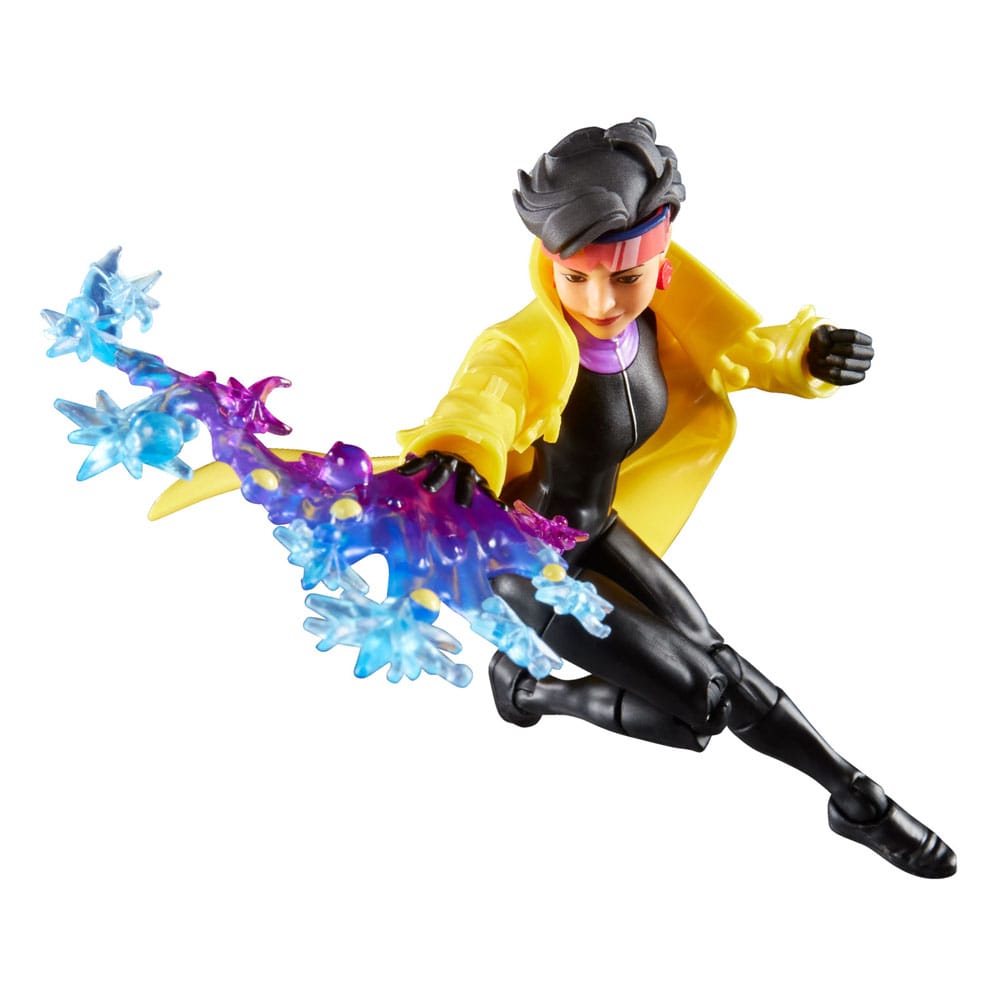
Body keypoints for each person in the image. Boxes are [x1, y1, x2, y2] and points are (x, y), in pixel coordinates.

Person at [397, 117, 955, 878]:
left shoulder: (668, 314)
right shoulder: (522, 343)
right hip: (528, 560)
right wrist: (456, 452)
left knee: (720, 665)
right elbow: (480, 402)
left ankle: (856, 800)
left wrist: (808, 353)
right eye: (576, 277)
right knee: (703, 703)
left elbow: (744, 351)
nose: (601, 301)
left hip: (600, 532)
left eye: (625, 278)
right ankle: (532, 691)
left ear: (659, 262)